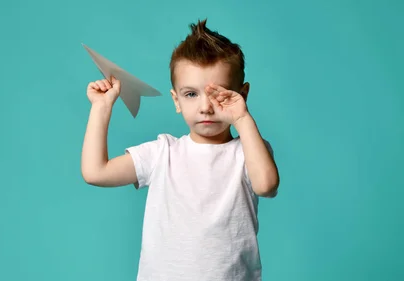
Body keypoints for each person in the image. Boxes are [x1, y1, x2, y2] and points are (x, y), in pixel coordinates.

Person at [81, 18, 280, 281]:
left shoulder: (248, 151)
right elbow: (96, 172)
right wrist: (101, 107)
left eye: (218, 95)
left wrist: (243, 119)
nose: (205, 107)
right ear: (176, 100)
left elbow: (266, 186)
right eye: (191, 94)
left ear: (241, 95)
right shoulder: (162, 153)